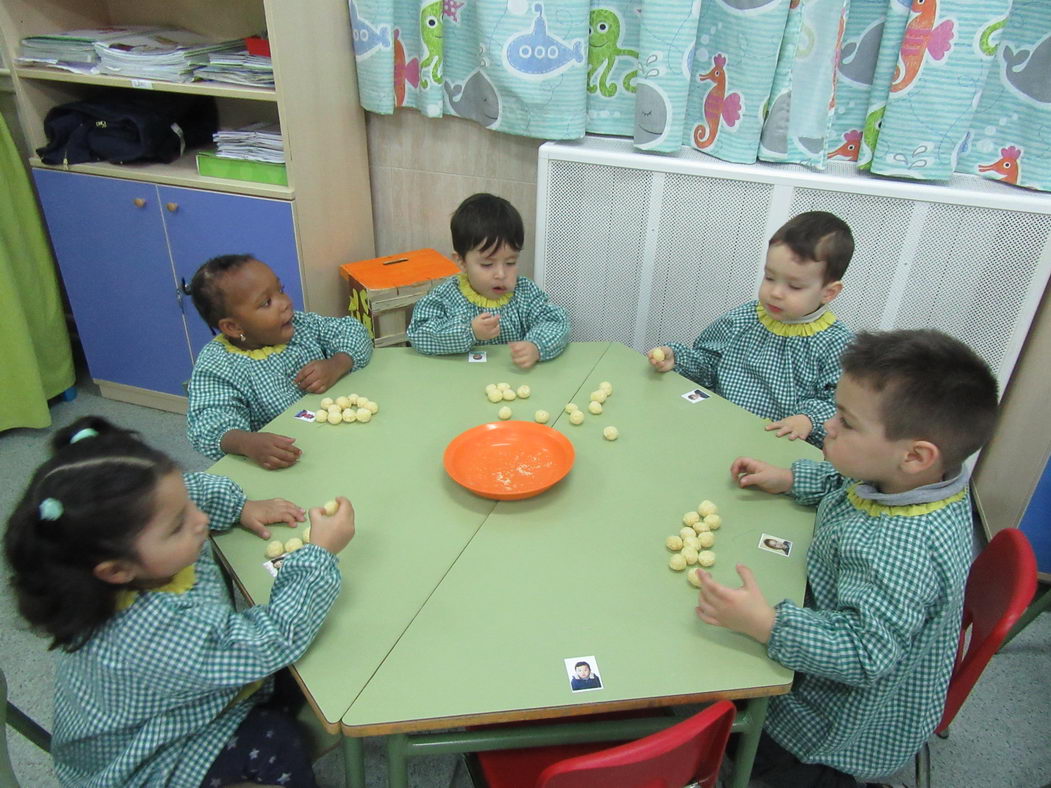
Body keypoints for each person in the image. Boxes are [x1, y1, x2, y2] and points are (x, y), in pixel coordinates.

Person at [693, 329, 999, 786]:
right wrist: (791, 478)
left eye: (846, 422)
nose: (828, 426)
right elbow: (851, 485)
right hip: (833, 610)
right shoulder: (907, 479)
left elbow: (862, 654)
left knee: (746, 739)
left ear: (915, 455)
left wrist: (769, 626)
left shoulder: (904, 550)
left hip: (831, 732)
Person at [3, 416, 356, 788]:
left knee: (305, 674)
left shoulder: (148, 531)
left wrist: (241, 507)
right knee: (279, 742)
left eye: (185, 505)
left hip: (180, 699)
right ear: (116, 570)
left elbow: (189, 490)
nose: (199, 520)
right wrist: (318, 554)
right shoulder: (150, 631)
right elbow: (270, 640)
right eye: (177, 525)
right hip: (146, 759)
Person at [649, 211, 854, 447]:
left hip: (774, 448)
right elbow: (709, 364)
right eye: (769, 277)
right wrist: (678, 358)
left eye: (794, 286)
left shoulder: (838, 345)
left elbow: (839, 406)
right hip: (713, 428)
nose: (775, 292)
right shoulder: (745, 318)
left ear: (829, 292)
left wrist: (807, 419)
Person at [187, 254, 373, 469]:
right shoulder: (219, 365)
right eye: (267, 302)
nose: (285, 303)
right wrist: (247, 443)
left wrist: (338, 363)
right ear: (234, 327)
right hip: (291, 460)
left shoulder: (302, 326)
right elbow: (207, 425)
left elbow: (354, 331)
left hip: (340, 440)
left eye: (281, 290)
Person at [406, 193, 570, 369]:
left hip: (512, 380)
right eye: (487, 264)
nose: (500, 274)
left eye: (510, 262)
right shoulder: (445, 297)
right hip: (459, 381)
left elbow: (556, 322)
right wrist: (469, 331)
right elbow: (419, 334)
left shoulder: (526, 293)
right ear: (461, 261)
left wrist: (536, 346)